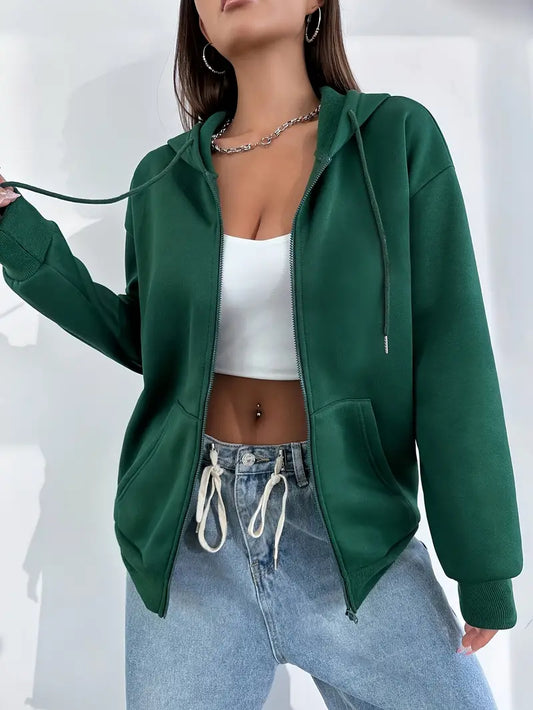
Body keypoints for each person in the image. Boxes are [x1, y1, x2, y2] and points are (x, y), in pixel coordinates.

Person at [0, 0, 524, 708]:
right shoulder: (164, 177)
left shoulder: (394, 138)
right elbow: (149, 343)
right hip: (190, 540)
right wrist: (14, 232)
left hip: (351, 535)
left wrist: (483, 565)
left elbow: (450, 354)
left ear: (315, 4)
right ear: (199, 24)